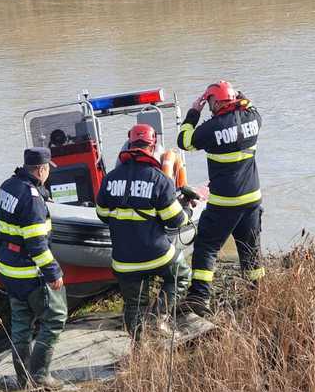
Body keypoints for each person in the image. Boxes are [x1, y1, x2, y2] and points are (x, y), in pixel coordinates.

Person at [96, 124, 193, 340]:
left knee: (134, 304)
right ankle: (159, 318)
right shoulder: (159, 179)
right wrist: (187, 208)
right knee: (181, 275)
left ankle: (139, 351)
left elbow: (102, 214)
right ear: (153, 146)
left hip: (123, 259)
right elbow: (175, 221)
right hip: (156, 254)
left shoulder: (109, 179)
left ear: (129, 145)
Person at [177, 80, 264, 316]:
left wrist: (194, 112)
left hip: (225, 202)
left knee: (207, 246)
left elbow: (183, 141)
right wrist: (238, 96)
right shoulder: (253, 119)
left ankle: (199, 298)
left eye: (210, 102)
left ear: (214, 103)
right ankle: (256, 295)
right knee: (250, 249)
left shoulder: (211, 129)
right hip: (252, 199)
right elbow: (251, 106)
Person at [0, 147, 66, 389]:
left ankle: (23, 379)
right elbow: (36, 244)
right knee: (56, 317)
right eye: (48, 169)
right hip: (28, 271)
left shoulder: (8, 185)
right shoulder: (33, 199)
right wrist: (53, 272)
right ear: (41, 169)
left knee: (21, 325)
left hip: (8, 268)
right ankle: (40, 376)